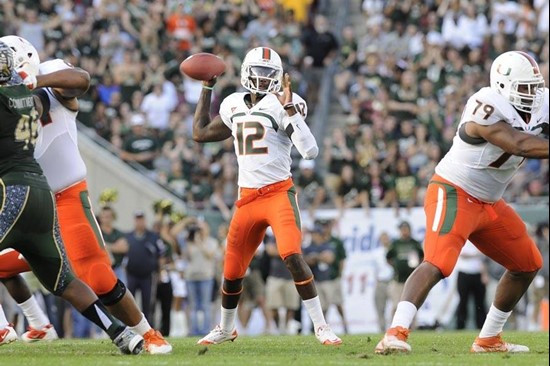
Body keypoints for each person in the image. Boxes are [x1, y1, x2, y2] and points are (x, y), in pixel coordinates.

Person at [0, 36, 171, 353]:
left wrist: (36, 80)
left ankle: (147, 333)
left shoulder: (49, 75)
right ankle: (39, 325)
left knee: (97, 275)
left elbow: (82, 80)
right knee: (4, 265)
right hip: (29, 197)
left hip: (66, 194)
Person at [376, 51, 548, 354]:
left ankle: (489, 338)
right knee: (438, 262)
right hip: (454, 191)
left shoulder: (540, 102)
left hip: (490, 203)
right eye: (524, 88)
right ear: (503, 86)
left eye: (534, 87)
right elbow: (519, 143)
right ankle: (395, 332)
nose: (532, 95)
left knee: (527, 263)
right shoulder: (486, 105)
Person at [192, 47, 341, 345]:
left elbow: (310, 151)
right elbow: (200, 133)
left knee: (292, 254)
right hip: (247, 198)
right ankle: (226, 328)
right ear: (247, 72)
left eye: (269, 74)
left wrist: (289, 110)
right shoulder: (234, 104)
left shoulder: (282, 103)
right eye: (258, 72)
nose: (262, 79)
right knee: (232, 268)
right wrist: (207, 86)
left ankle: (321, 326)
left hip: (278, 193)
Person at [386, 221, 423, 318]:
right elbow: (388, 258)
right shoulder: (395, 244)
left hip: (412, 280)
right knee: (396, 305)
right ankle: (393, 327)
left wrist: (417, 267)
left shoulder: (415, 243)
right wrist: (396, 266)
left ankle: (412, 329)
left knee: (411, 306)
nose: (404, 231)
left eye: (406, 229)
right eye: (402, 229)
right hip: (398, 280)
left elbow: (422, 257)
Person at [454, 241, 488, 330]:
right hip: (464, 273)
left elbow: (484, 255)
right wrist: (476, 254)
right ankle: (460, 326)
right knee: (462, 301)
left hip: (478, 273)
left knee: (480, 302)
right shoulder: (462, 239)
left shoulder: (479, 239)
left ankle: (482, 327)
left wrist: (484, 274)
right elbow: (462, 254)